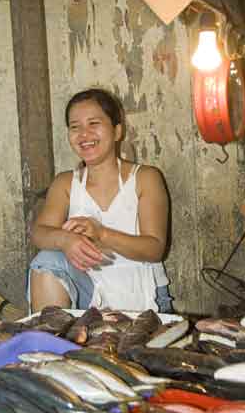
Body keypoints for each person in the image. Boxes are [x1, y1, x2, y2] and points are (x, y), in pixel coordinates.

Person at [27, 88, 173, 313]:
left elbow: (155, 249)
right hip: (90, 293)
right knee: (47, 260)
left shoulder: (145, 178)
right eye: (75, 127)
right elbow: (39, 233)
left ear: (117, 131)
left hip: (144, 295)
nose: (84, 134)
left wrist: (102, 233)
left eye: (93, 123)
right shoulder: (65, 183)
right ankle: (50, 342)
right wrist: (66, 240)